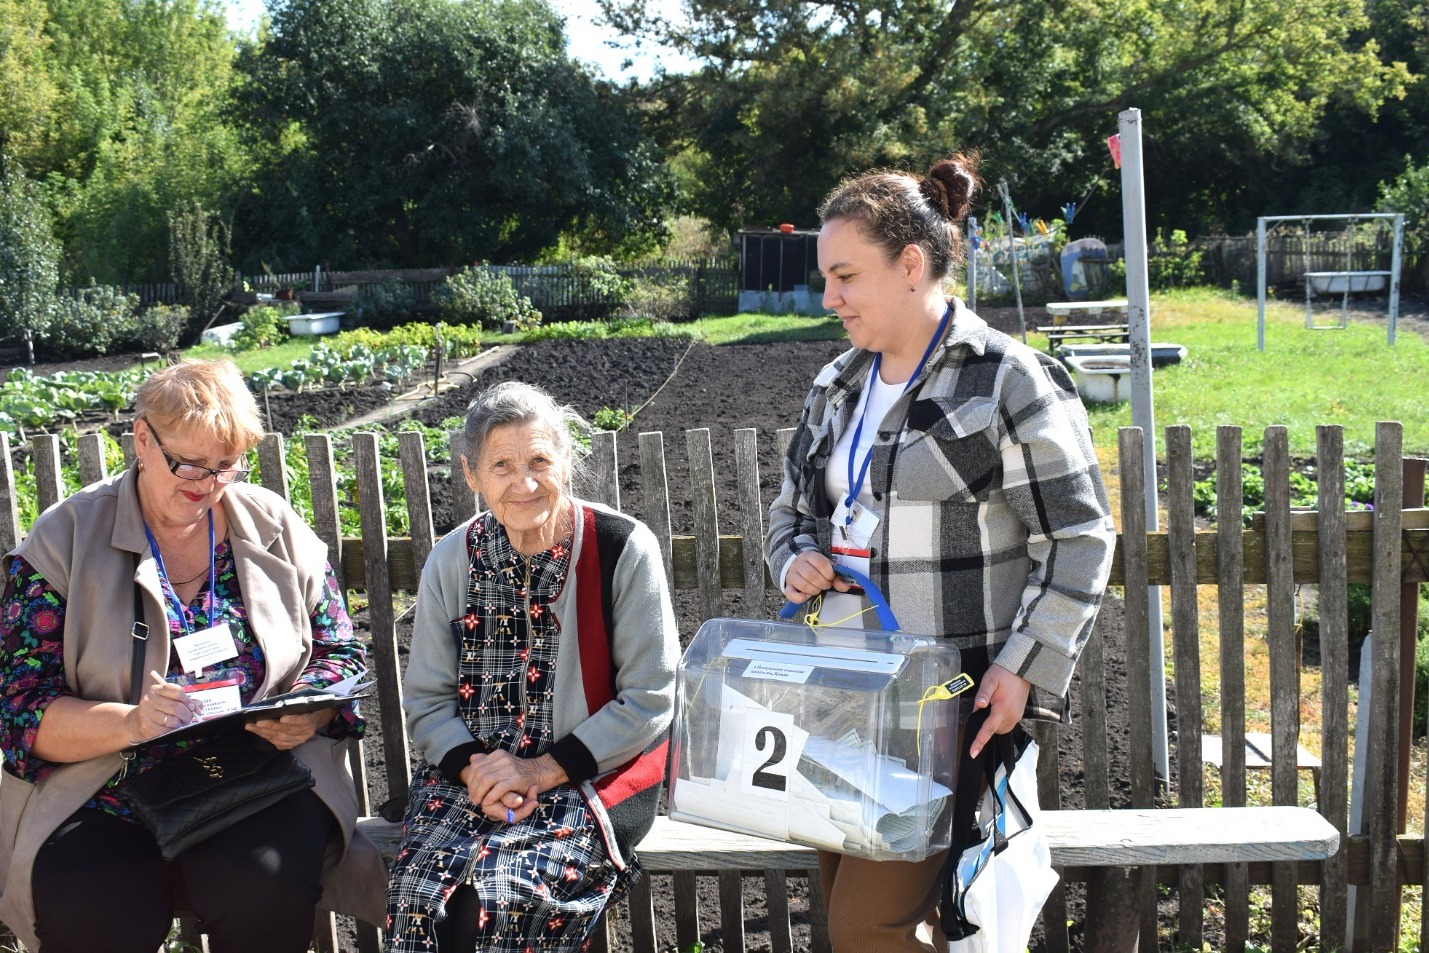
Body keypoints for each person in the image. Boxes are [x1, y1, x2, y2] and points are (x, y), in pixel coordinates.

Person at [766, 155, 1116, 951]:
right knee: (857, 914)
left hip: (944, 703)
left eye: (845, 276)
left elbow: (1078, 535)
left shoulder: (1007, 379)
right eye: (826, 278)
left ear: (909, 265)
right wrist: (793, 559)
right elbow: (790, 512)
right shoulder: (836, 384)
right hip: (836, 698)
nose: (828, 298)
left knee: (866, 927)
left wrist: (1023, 666)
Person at [0, 358, 385, 952]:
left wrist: (309, 710)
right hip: (105, 787)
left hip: (256, 776)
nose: (205, 484)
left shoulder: (274, 525)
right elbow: (22, 709)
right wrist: (132, 723)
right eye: (188, 463)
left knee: (266, 890)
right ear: (142, 439)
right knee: (92, 915)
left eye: (225, 466)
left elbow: (339, 650)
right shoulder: (67, 537)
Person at [386, 380, 679, 953]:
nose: (523, 483)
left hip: (586, 776)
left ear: (565, 460)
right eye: (501, 465)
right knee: (420, 898)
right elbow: (426, 700)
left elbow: (651, 696)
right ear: (471, 475)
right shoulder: (452, 559)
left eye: (539, 460)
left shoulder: (621, 547)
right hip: (468, 779)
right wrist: (478, 772)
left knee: (507, 898)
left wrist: (539, 771)